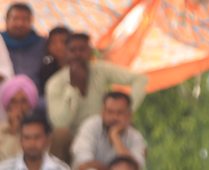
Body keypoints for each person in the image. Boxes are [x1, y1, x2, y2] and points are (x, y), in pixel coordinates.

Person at [45, 33, 147, 162]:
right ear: (65, 54)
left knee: (137, 140)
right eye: (72, 50)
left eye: (82, 49)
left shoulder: (101, 70)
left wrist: (127, 111)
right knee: (60, 134)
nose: (77, 54)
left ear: (90, 52)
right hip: (74, 136)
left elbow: (141, 79)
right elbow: (59, 123)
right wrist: (73, 88)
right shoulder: (54, 83)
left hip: (104, 132)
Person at [71, 91, 147, 170]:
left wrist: (115, 136)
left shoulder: (135, 136)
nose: (114, 117)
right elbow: (83, 164)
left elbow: (134, 169)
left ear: (130, 115)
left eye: (119, 113)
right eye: (110, 112)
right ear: (103, 112)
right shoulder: (91, 126)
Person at [0, 74, 38, 166]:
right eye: (13, 102)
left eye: (23, 101)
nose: (19, 107)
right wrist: (13, 131)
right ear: (8, 105)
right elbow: (3, 165)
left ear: (30, 104)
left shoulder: (38, 131)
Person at [1, 3, 45, 89]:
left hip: (35, 94)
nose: (20, 23)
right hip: (2, 93)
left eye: (25, 19)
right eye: (15, 18)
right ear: (7, 20)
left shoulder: (42, 44)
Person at [37, 26, 69, 91]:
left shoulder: (78, 67)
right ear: (48, 47)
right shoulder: (46, 71)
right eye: (54, 42)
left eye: (63, 42)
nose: (59, 46)